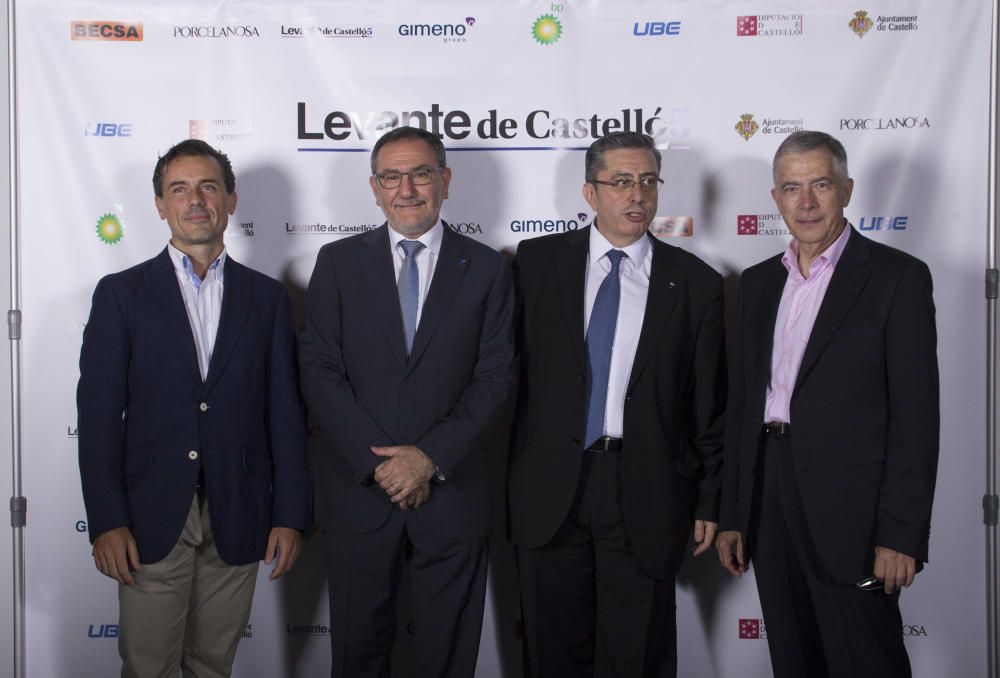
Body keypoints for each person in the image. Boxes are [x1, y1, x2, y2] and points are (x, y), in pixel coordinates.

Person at [77, 138, 311, 677]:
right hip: (151, 516)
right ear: (160, 205)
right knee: (148, 666)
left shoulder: (268, 298)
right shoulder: (121, 294)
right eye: (179, 189)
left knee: (212, 666)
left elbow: (285, 415)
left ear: (230, 198)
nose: (195, 200)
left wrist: (290, 515)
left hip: (241, 510)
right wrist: (107, 520)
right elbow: (97, 419)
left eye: (208, 186)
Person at [716, 130, 939, 677]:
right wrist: (734, 514)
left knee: (866, 659)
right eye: (792, 188)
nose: (807, 202)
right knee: (794, 657)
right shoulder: (758, 283)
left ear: (847, 189)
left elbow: (917, 421)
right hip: (770, 496)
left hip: (855, 513)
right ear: (776, 199)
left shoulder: (897, 278)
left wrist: (900, 534)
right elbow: (745, 406)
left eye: (821, 184)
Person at [299, 125, 515, 678]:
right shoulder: (338, 263)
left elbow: (495, 378)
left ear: (445, 180)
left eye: (421, 173)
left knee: (448, 660)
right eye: (392, 177)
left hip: (453, 495)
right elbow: (320, 371)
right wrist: (381, 466)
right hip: (360, 499)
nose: (408, 189)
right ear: (374, 187)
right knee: (357, 658)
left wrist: (427, 458)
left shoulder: (489, 268)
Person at [508, 131, 726, 677]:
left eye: (649, 182)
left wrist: (709, 501)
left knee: (637, 655)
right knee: (553, 652)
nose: (638, 196)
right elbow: (505, 382)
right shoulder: (532, 265)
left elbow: (709, 407)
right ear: (590, 192)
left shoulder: (696, 282)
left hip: (646, 490)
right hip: (550, 488)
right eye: (622, 182)